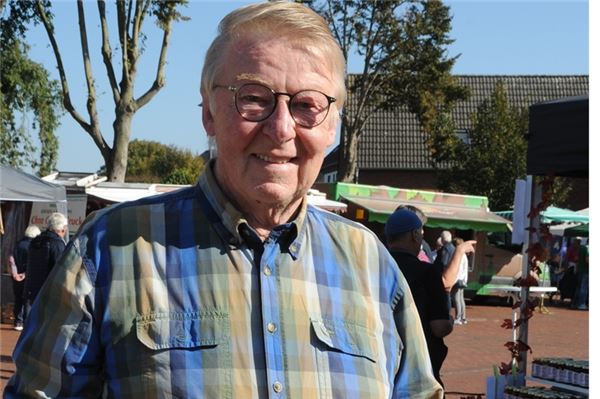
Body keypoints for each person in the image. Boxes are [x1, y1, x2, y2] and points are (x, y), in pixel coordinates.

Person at [6, 3, 442, 398]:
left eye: (308, 105)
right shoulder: (110, 250)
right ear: (209, 113)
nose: (283, 129)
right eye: (254, 98)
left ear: (332, 128)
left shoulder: (371, 264)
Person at [384, 208, 453, 387]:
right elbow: (439, 327)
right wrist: (451, 321)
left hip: (382, 366)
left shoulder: (374, 268)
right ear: (415, 235)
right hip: (419, 371)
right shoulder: (427, 273)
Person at [23, 212, 68, 316]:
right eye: (65, 227)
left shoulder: (35, 240)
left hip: (33, 288)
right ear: (62, 229)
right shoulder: (57, 243)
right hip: (49, 291)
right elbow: (61, 269)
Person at [6, 225, 41, 331]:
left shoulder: (18, 244)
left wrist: (15, 274)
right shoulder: (34, 246)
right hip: (28, 276)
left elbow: (11, 260)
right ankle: (27, 323)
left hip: (16, 277)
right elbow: (33, 263)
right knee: (28, 300)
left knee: (18, 299)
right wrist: (25, 274)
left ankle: (18, 322)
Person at [451, 237, 468, 325]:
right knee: (461, 299)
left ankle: (458, 317)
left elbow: (458, 268)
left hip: (458, 279)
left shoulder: (459, 254)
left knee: (456, 298)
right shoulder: (464, 255)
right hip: (463, 280)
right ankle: (463, 317)